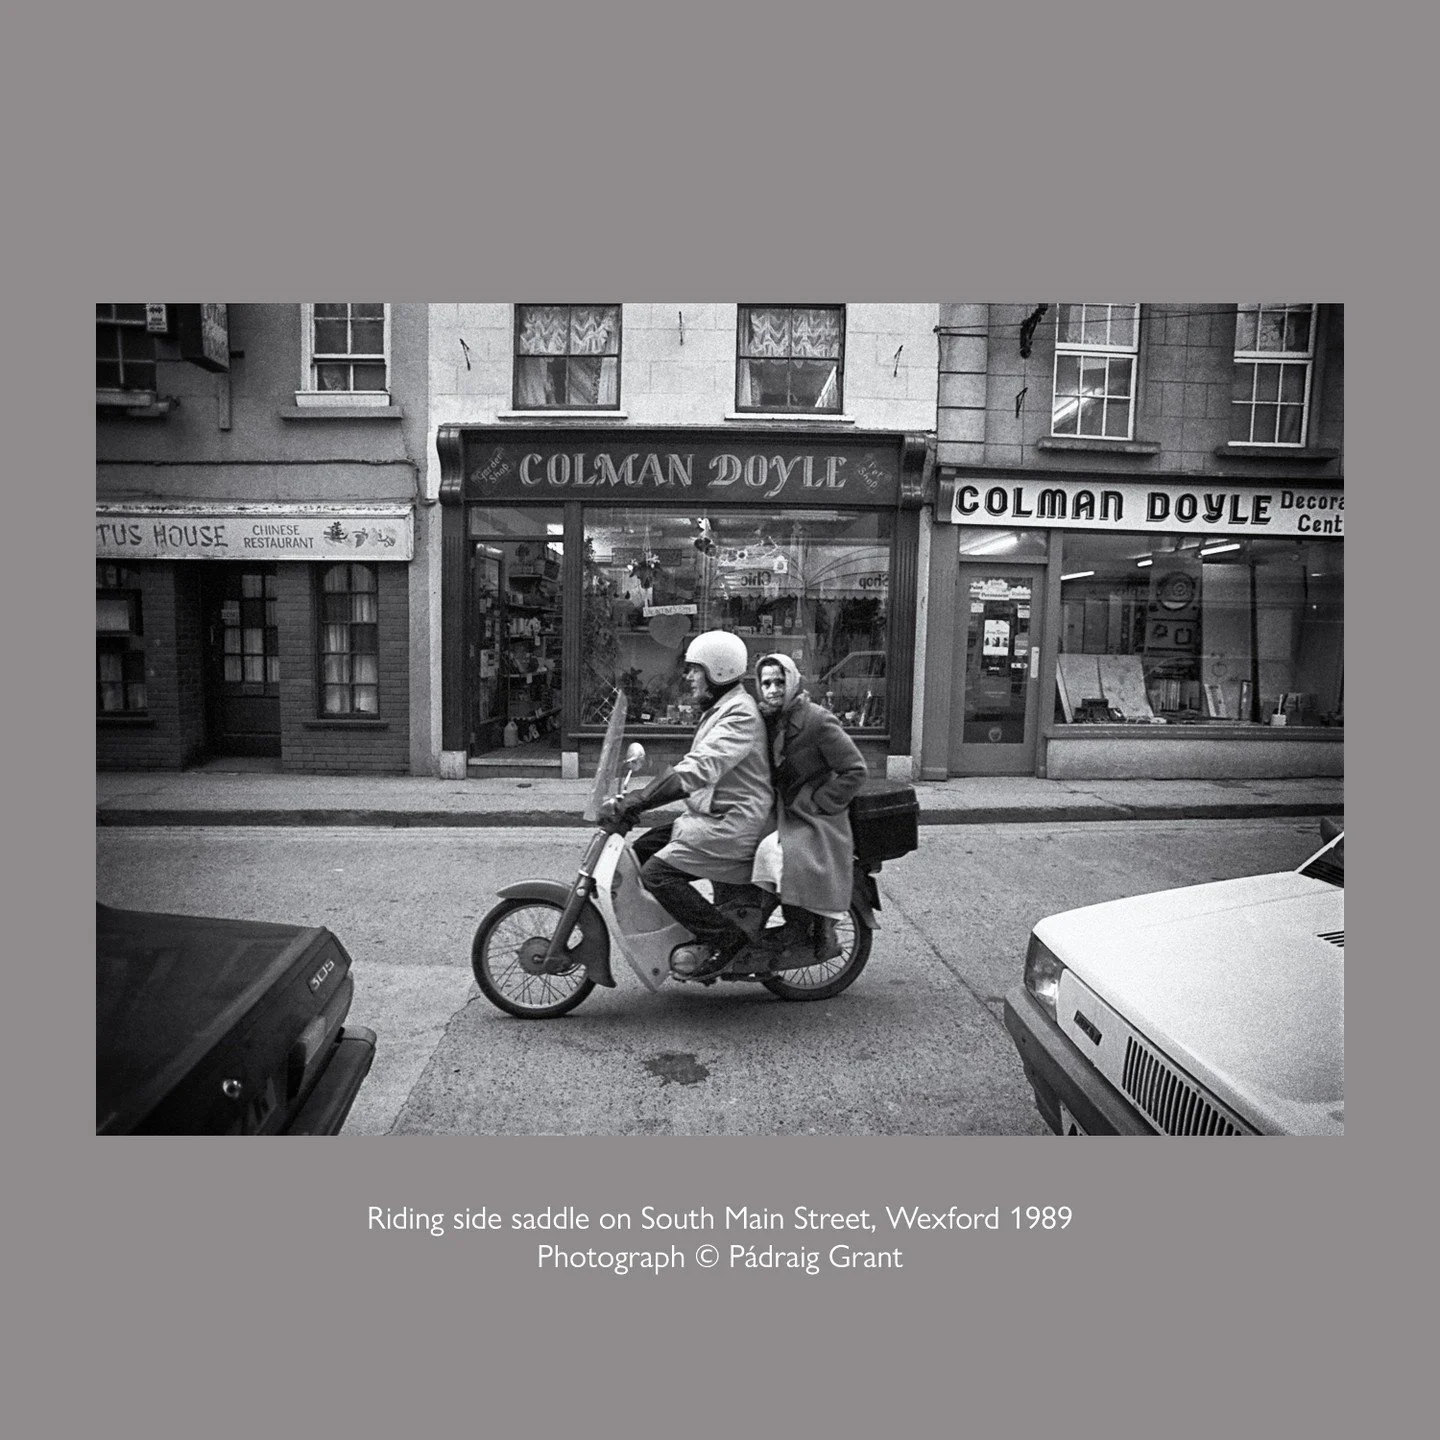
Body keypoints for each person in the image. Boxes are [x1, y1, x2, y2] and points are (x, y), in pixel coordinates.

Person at [601, 630, 775, 979]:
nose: (689, 676)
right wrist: (635, 796)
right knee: (642, 851)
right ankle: (676, 930)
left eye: (696, 669)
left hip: (733, 823)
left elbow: (699, 768)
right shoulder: (722, 708)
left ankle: (725, 938)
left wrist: (642, 800)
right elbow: (694, 762)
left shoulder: (738, 715)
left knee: (656, 874)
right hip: (710, 816)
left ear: (719, 671)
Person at [751, 651, 868, 964]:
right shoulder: (766, 719)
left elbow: (855, 769)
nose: (773, 689)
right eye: (766, 683)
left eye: (780, 681)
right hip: (783, 809)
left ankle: (806, 927)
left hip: (816, 817)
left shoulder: (816, 719)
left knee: (778, 855)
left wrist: (820, 801)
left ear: (792, 681)